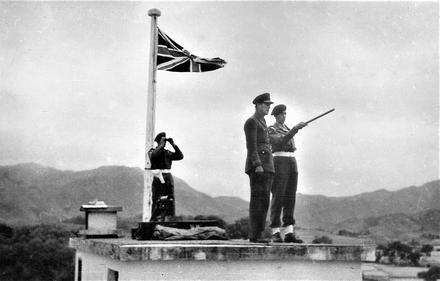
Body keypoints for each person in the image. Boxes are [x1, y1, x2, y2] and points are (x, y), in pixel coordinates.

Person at [268, 104, 307, 243]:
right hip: (279, 160)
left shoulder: (286, 129)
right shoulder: (271, 129)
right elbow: (280, 141)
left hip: (291, 160)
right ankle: (275, 231)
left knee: (290, 196)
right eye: (281, 114)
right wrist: (295, 129)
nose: (284, 116)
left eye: (285, 113)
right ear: (276, 115)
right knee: (278, 195)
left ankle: (289, 231)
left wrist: (293, 130)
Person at [244, 93, 275, 243]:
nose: (268, 107)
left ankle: (259, 233)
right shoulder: (252, 122)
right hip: (259, 167)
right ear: (257, 105)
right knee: (257, 201)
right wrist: (257, 164)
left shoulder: (262, 122)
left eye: (269, 105)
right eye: (265, 104)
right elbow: (251, 146)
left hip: (267, 166)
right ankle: (255, 235)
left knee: (264, 201)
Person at [148, 132, 184, 222]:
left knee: (170, 198)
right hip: (158, 176)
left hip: (167, 176)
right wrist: (161, 145)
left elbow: (180, 156)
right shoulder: (152, 151)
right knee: (157, 199)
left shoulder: (167, 152)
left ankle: (169, 218)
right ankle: (154, 219)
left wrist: (173, 145)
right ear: (158, 141)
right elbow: (154, 156)